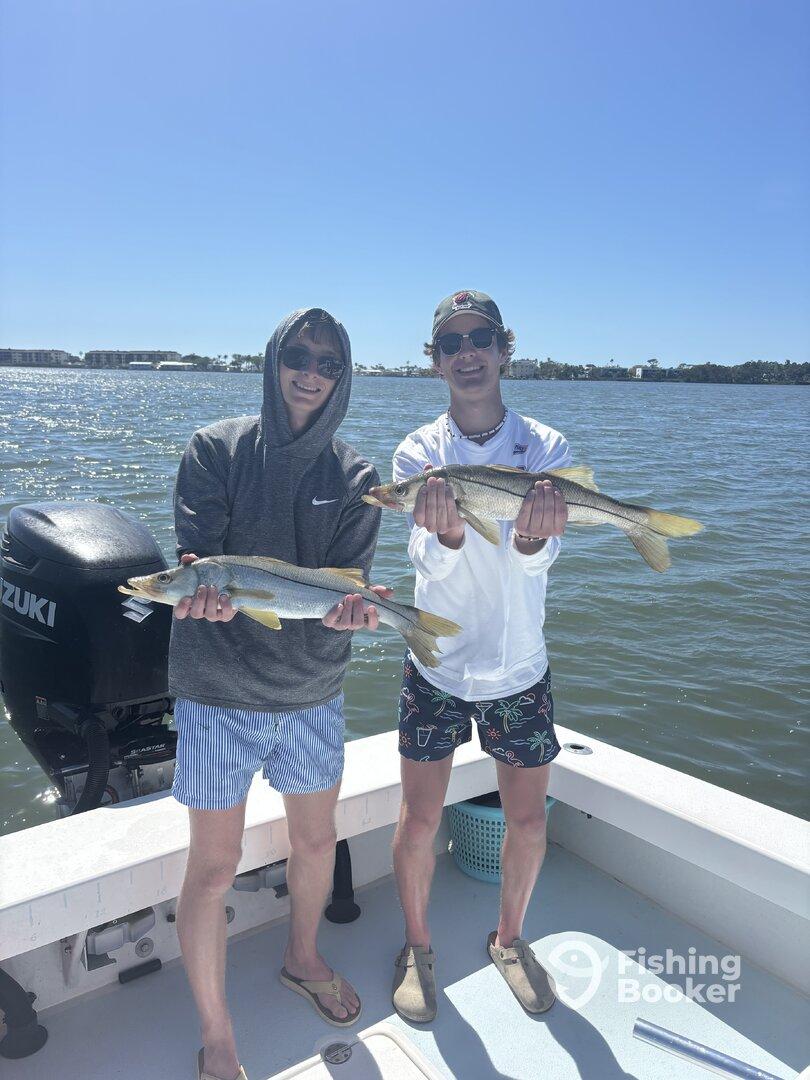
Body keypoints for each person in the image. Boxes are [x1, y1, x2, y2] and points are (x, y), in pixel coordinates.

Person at [169, 309, 388, 1080]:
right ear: (272, 360)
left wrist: (355, 615)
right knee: (212, 867)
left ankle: (302, 956)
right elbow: (196, 557)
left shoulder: (358, 477)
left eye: (328, 362)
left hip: (310, 692)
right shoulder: (215, 449)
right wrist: (200, 589)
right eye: (298, 354)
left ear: (343, 376)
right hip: (215, 691)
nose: (310, 371)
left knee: (317, 843)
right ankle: (218, 1032)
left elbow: (343, 592)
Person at [390, 290, 570, 1023]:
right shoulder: (419, 454)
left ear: (504, 348)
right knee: (418, 820)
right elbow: (426, 567)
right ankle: (416, 946)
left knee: (528, 823)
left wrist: (531, 539)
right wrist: (453, 536)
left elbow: (539, 563)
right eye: (449, 343)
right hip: (435, 660)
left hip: (518, 665)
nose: (466, 353)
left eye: (480, 338)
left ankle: (510, 939)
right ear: (434, 363)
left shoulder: (546, 449)